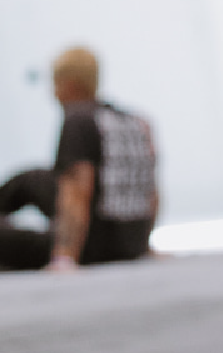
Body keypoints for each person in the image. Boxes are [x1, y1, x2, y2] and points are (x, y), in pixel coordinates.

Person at [0, 46, 158, 273]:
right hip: (129, 241)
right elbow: (151, 191)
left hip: (93, 247)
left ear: (69, 83)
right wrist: (142, 244)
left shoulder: (79, 120)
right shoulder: (136, 123)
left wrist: (65, 256)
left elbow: (77, 189)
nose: (53, 93)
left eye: (55, 85)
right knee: (31, 179)